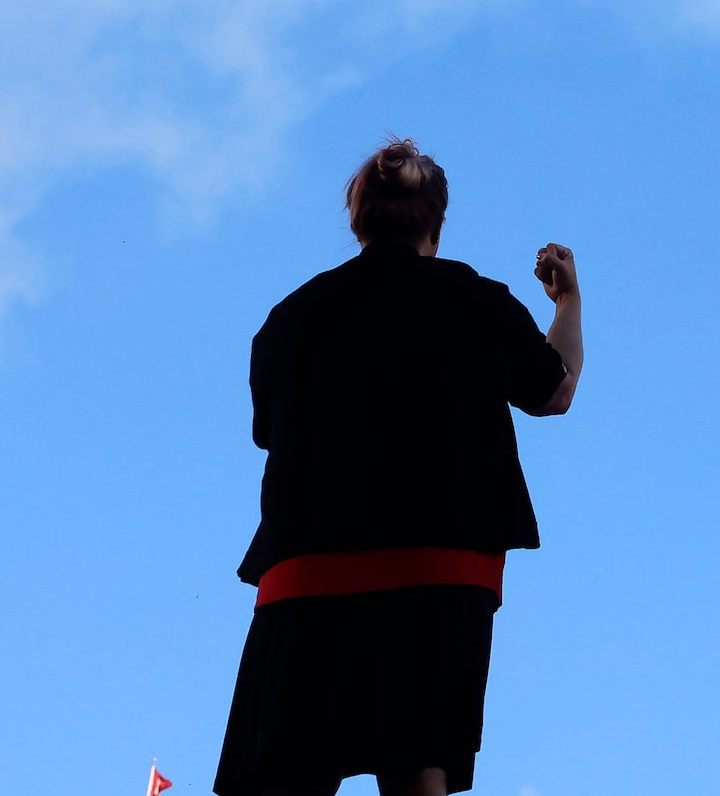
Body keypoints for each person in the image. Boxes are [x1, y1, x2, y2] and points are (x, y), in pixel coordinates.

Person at [216, 140, 582, 796]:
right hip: (438, 567)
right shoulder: (477, 300)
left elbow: (266, 433)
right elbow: (552, 393)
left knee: (285, 773)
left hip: (305, 571)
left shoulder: (290, 318)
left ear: (357, 221)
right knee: (417, 766)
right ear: (435, 225)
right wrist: (566, 303)